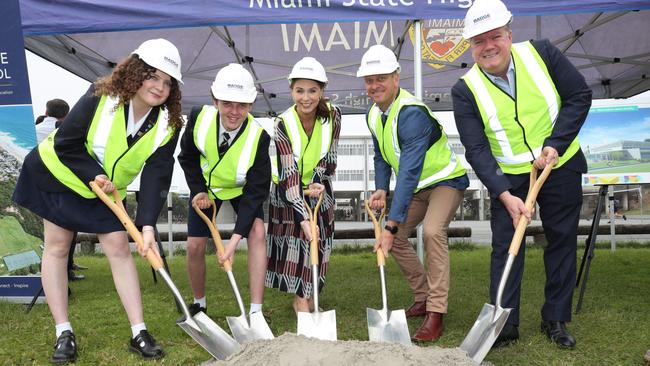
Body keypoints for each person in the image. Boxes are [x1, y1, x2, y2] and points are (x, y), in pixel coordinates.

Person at [13, 38, 184, 363]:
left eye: (167, 82)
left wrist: (147, 223)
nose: (159, 87)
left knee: (120, 247)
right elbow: (66, 143)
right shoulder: (101, 96)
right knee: (58, 246)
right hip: (60, 174)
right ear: (135, 72)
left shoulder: (168, 123)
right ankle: (63, 332)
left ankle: (139, 332)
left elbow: (158, 172)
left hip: (105, 191)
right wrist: (94, 174)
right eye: (152, 76)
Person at [452, 0, 592, 350]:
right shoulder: (464, 89)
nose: (489, 46)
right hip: (511, 178)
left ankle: (555, 318)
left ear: (509, 34)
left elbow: (579, 95)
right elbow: (477, 149)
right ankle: (505, 322)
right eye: (479, 41)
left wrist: (555, 143)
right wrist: (503, 193)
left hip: (559, 165)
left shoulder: (542, 53)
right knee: (505, 248)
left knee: (561, 238)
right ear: (471, 46)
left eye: (495, 36)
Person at [356, 45, 468, 342]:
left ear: (396, 78)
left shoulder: (412, 114)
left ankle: (436, 312)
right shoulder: (374, 115)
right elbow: (382, 155)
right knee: (394, 240)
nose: (374, 85)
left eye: (381, 78)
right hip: (418, 189)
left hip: (445, 182)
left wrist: (391, 224)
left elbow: (408, 171)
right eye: (369, 80)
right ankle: (422, 296)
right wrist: (381, 186)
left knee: (432, 232)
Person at [178, 63, 270, 317]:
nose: (234, 112)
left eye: (242, 105)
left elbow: (256, 192)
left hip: (241, 191)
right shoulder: (198, 118)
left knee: (258, 231)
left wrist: (234, 241)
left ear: (251, 106)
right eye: (227, 103)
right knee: (195, 245)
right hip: (206, 190)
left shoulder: (259, 138)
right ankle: (199, 303)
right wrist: (197, 190)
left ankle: (255, 311)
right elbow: (187, 157)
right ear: (215, 100)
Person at [265, 57, 341, 313]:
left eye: (312, 90)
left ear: (322, 91)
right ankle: (300, 300)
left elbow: (330, 154)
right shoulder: (282, 124)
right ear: (291, 90)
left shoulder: (333, 116)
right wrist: (302, 214)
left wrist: (318, 181)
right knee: (297, 242)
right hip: (288, 190)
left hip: (319, 188)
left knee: (321, 239)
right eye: (299, 90)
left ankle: (312, 297)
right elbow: (288, 171)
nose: (306, 98)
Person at [34, 99, 87, 282]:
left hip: (36, 186)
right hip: (65, 186)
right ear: (67, 114)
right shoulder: (68, 131)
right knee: (68, 232)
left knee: (49, 238)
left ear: (46, 112)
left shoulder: (35, 130)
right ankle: (66, 270)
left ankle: (52, 271)